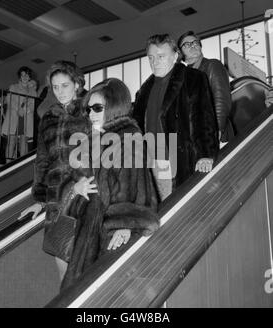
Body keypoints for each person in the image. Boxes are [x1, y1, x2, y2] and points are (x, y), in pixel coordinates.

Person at [61, 78, 159, 290]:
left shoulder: (128, 137)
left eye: (97, 108)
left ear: (115, 106)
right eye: (88, 109)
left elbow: (135, 185)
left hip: (109, 232)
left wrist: (124, 223)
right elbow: (74, 180)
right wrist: (75, 189)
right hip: (88, 230)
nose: (91, 114)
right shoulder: (92, 139)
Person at [20, 60, 94, 282]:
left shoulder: (90, 112)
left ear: (77, 84)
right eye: (55, 87)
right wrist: (40, 200)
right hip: (56, 199)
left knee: (85, 269)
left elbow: (104, 153)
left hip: (85, 194)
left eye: (65, 85)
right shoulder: (48, 118)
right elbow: (42, 160)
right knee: (63, 269)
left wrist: (86, 181)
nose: (60, 91)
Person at [132, 34, 219, 201]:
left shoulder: (193, 78)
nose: (155, 62)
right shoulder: (144, 90)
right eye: (150, 57)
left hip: (179, 160)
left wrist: (206, 153)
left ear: (175, 56)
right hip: (151, 165)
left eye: (161, 56)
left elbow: (204, 118)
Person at [177, 30, 233, 143]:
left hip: (215, 134)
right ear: (181, 53)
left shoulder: (212, 65)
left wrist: (216, 130)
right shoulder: (184, 77)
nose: (192, 45)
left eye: (195, 42)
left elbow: (221, 99)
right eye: (187, 44)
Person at [1, 66, 37, 160]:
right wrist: (18, 109)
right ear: (20, 77)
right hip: (14, 116)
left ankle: (21, 164)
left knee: (24, 141)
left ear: (30, 77)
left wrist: (27, 110)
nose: (25, 77)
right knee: (11, 140)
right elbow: (9, 100)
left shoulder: (33, 91)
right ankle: (8, 164)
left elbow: (33, 103)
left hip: (26, 117)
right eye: (23, 75)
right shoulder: (13, 87)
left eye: (27, 75)